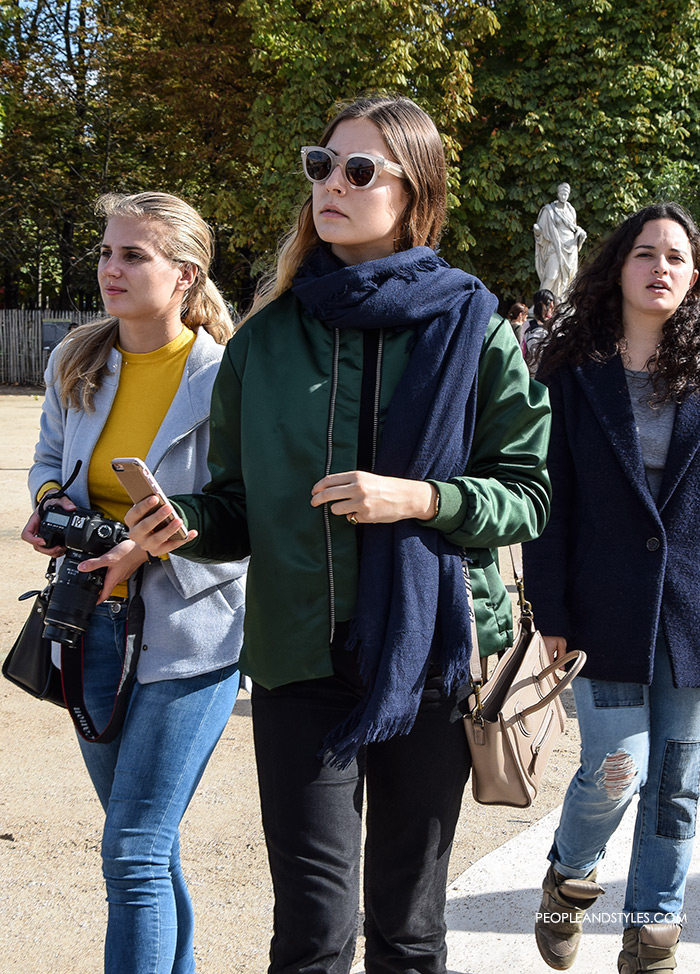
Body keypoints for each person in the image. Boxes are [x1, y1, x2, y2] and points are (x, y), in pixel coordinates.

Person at [126, 96, 552, 974]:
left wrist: (420, 500)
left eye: (360, 170)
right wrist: (184, 523)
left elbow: (529, 495)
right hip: (298, 664)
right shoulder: (266, 340)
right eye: (323, 163)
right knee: (313, 935)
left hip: (431, 657)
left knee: (409, 930)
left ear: (415, 191)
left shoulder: (473, 327)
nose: (332, 184)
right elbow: (236, 506)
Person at [20, 191, 248, 974]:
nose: (110, 269)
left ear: (184, 275)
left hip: (194, 630)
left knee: (134, 850)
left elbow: (247, 514)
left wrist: (143, 548)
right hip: (89, 624)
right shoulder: (76, 358)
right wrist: (52, 507)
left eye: (133, 256)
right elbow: (49, 459)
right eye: (107, 252)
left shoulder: (227, 375)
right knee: (143, 841)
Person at [523, 202, 700, 974]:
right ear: (617, 267)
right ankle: (569, 877)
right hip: (602, 607)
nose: (660, 266)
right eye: (644, 253)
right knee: (618, 767)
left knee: (678, 782)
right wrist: (550, 608)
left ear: (694, 278)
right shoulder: (574, 375)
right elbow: (547, 500)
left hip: (692, 613)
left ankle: (653, 931)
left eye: (676, 257)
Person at [534, 182, 587, 300]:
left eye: (566, 194)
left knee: (568, 279)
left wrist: (580, 233)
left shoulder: (571, 210)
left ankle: (562, 303)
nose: (564, 196)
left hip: (571, 247)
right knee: (552, 275)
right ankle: (540, 302)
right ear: (558, 194)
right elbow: (541, 231)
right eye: (562, 193)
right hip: (555, 246)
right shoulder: (549, 210)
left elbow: (574, 227)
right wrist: (537, 231)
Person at [522, 288, 556, 375]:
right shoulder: (556, 325)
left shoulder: (527, 325)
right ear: (551, 304)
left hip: (532, 372)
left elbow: (522, 348)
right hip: (548, 372)